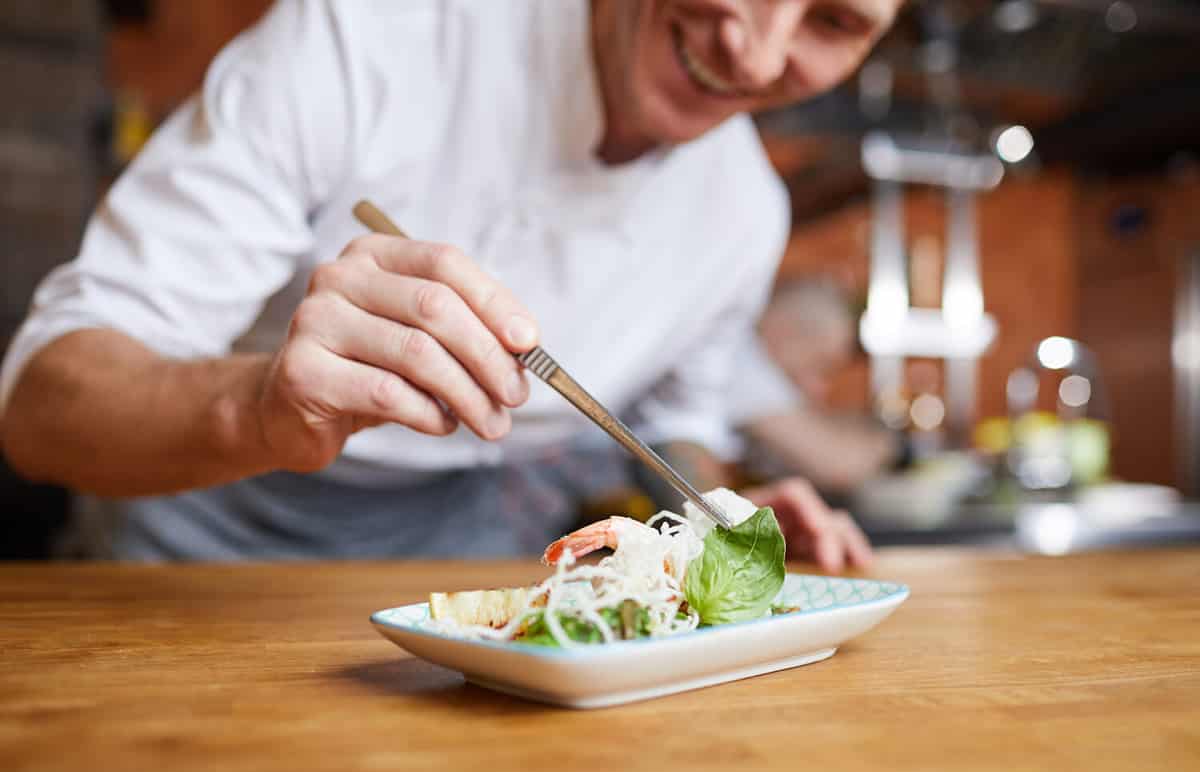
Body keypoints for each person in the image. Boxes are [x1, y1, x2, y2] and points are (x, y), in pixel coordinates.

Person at [0, 0, 900, 569]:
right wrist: (259, 408)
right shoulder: (366, 36)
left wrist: (716, 514)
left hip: (467, 593)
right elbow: (39, 407)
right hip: (186, 563)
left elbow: (672, 430)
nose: (753, 50)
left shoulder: (745, 213)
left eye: (833, 21)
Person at [727, 277, 904, 494]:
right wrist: (890, 444)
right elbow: (840, 465)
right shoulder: (743, 364)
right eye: (821, 366)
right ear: (785, 332)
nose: (820, 388)